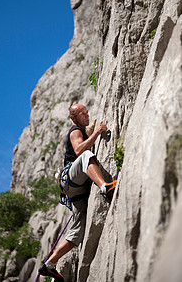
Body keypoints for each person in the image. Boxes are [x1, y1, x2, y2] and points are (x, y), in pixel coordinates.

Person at [38, 104, 117, 281]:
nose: (86, 115)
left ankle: (49, 264)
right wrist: (96, 133)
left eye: (87, 112)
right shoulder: (75, 131)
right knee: (85, 155)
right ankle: (105, 187)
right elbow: (79, 150)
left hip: (76, 192)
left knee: (77, 233)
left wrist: (89, 131)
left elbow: (84, 136)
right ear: (74, 118)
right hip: (70, 179)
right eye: (82, 114)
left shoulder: (81, 131)